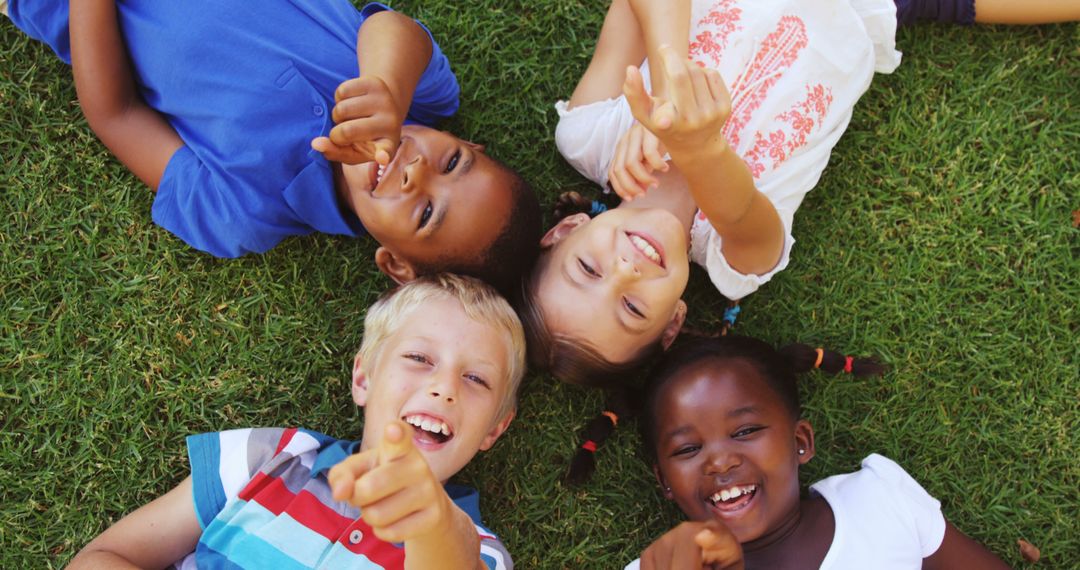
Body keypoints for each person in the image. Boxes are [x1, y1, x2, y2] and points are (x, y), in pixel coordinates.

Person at [521, 0, 1080, 384]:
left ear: (567, 230)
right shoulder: (733, 262)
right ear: (673, 324)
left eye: (589, 270)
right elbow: (743, 209)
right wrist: (692, 143)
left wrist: (667, 83)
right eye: (633, 307)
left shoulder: (589, 137)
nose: (626, 271)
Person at [3, 1, 541, 296]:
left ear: (397, 264)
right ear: (465, 140)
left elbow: (116, 115)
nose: (417, 170)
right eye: (453, 161)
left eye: (425, 213)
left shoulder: (247, 212)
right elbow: (390, 25)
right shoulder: (424, 95)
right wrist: (387, 87)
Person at [66, 273, 525, 569]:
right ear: (363, 378)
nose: (445, 387)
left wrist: (433, 520)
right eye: (420, 357)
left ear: (494, 429)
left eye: (475, 379)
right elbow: (108, 556)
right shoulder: (274, 456)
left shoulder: (480, 551)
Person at [628, 334, 1010, 569]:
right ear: (664, 480)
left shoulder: (877, 502)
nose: (720, 461)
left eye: (745, 431)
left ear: (800, 442)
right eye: (689, 448)